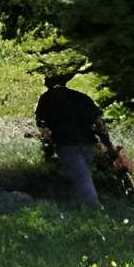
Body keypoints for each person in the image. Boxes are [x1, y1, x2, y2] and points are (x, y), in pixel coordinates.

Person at [36, 76, 107, 206]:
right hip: (88, 142)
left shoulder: (46, 99)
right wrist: (105, 142)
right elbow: (98, 121)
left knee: (81, 178)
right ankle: (79, 208)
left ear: (48, 83)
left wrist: (47, 146)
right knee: (82, 175)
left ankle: (94, 209)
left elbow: (42, 125)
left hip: (66, 144)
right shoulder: (81, 97)